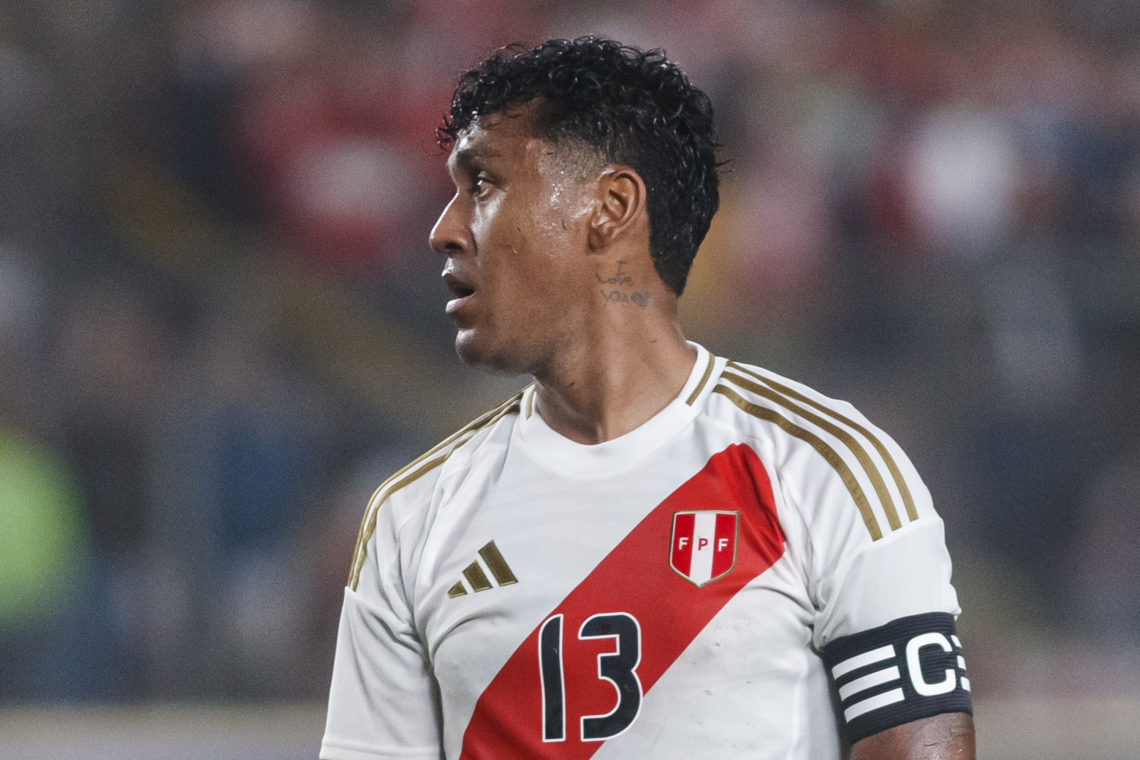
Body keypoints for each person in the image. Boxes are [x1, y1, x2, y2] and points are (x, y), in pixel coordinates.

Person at [321, 36, 975, 760]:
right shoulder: (411, 521)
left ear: (611, 207)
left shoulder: (827, 471)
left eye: (482, 184)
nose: (444, 230)